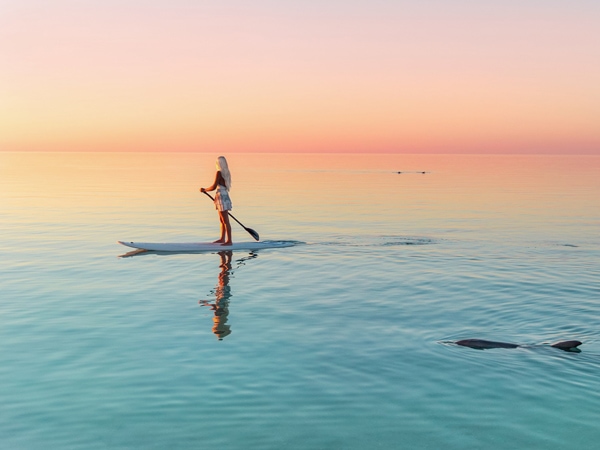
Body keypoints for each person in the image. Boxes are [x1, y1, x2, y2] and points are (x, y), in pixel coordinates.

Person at [200, 156, 233, 245]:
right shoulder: (227, 173)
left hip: (221, 197)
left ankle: (229, 241)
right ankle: (222, 239)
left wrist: (205, 189)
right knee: (222, 220)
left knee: (225, 220)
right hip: (224, 196)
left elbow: (214, 186)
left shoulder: (219, 173)